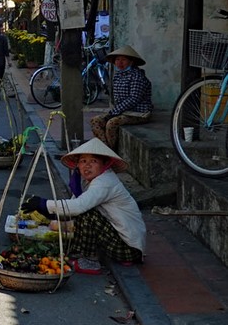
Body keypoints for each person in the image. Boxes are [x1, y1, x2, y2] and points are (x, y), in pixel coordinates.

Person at [21, 138, 146, 274]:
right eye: (83, 161)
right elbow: (71, 207)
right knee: (81, 213)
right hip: (118, 241)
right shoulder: (90, 182)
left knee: (87, 213)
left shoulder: (105, 182)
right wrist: (45, 210)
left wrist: (44, 203)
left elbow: (78, 207)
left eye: (94, 161)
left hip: (128, 249)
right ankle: (79, 251)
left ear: (105, 164)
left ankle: (90, 261)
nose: (87, 166)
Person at [90, 45, 152, 150]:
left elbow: (134, 99)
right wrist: (114, 111)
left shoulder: (137, 76)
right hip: (122, 111)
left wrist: (114, 112)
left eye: (123, 60)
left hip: (138, 113)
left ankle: (110, 152)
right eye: (117, 59)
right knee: (95, 120)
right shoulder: (118, 75)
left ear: (131, 62)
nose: (120, 62)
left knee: (111, 123)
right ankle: (105, 150)